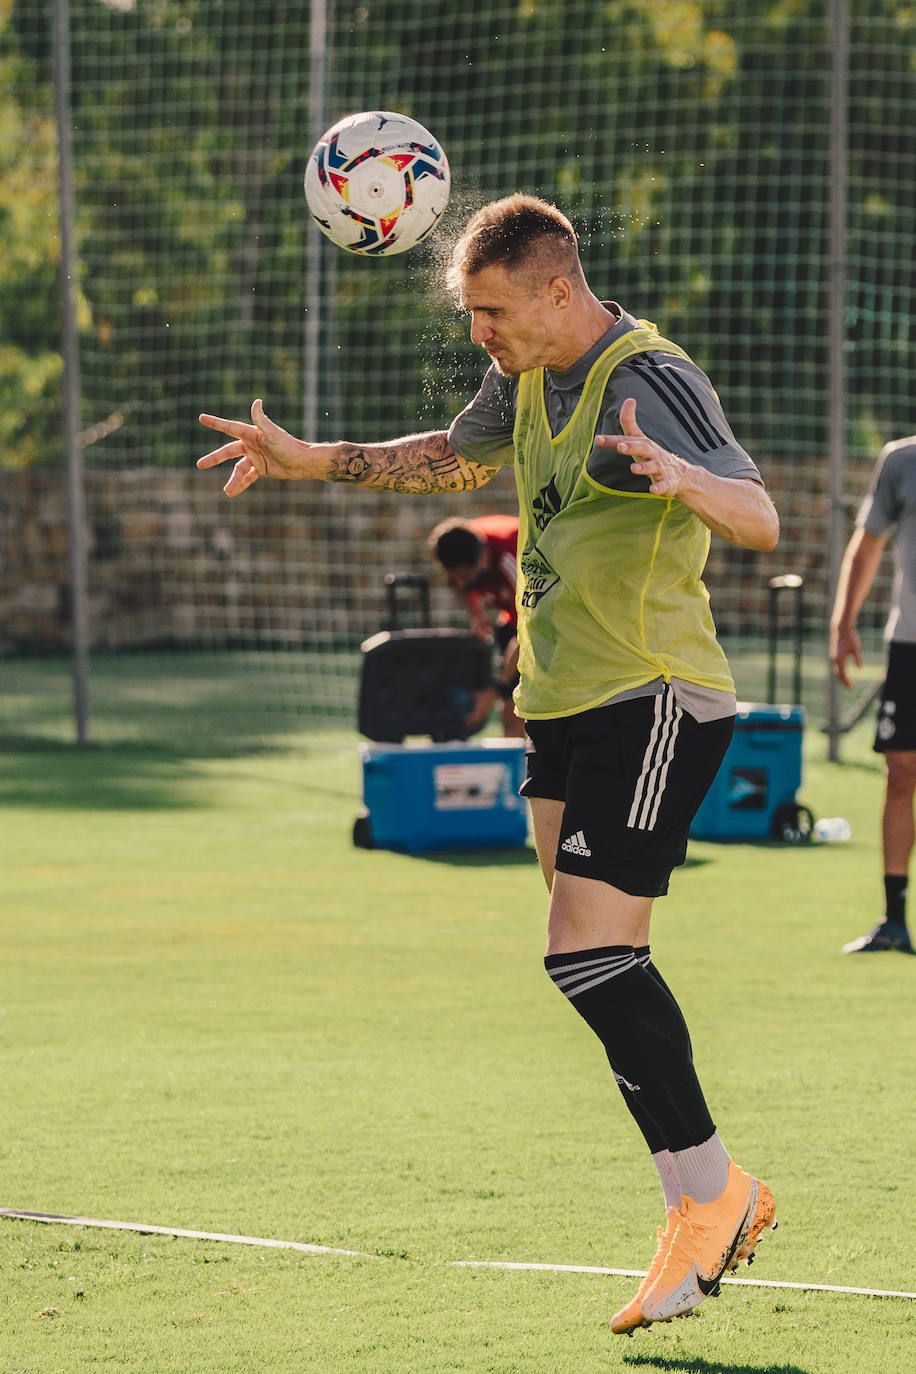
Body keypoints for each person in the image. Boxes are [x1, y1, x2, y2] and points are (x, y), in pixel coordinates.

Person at [196, 194, 780, 1335]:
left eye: (493, 311)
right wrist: (308, 458)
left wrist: (680, 480)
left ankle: (713, 1193)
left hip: (652, 693)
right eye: (471, 313)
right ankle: (697, 1204)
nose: (480, 333)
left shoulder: (644, 376)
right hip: (559, 700)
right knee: (591, 970)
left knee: (588, 955)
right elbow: (452, 464)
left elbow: (757, 511)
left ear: (556, 289)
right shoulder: (526, 377)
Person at [829, 436, 916, 955]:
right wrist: (843, 624)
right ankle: (894, 919)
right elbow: (867, 544)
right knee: (901, 770)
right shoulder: (901, 460)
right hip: (909, 643)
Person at [427, 514, 524, 737]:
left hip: (544, 616)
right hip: (512, 616)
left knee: (518, 707)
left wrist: (493, 690)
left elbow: (528, 633)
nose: (461, 584)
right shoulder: (456, 544)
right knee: (509, 710)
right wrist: (476, 614)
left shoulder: (512, 555)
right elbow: (458, 583)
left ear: (483, 557)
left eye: (465, 576)